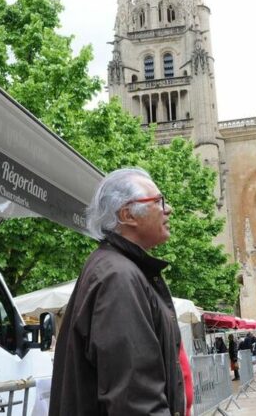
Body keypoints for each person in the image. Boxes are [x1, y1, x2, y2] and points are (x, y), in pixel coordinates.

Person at [49, 168, 184, 416]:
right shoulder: (119, 278)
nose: (168, 209)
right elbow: (135, 400)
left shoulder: (119, 269)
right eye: (158, 201)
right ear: (127, 214)